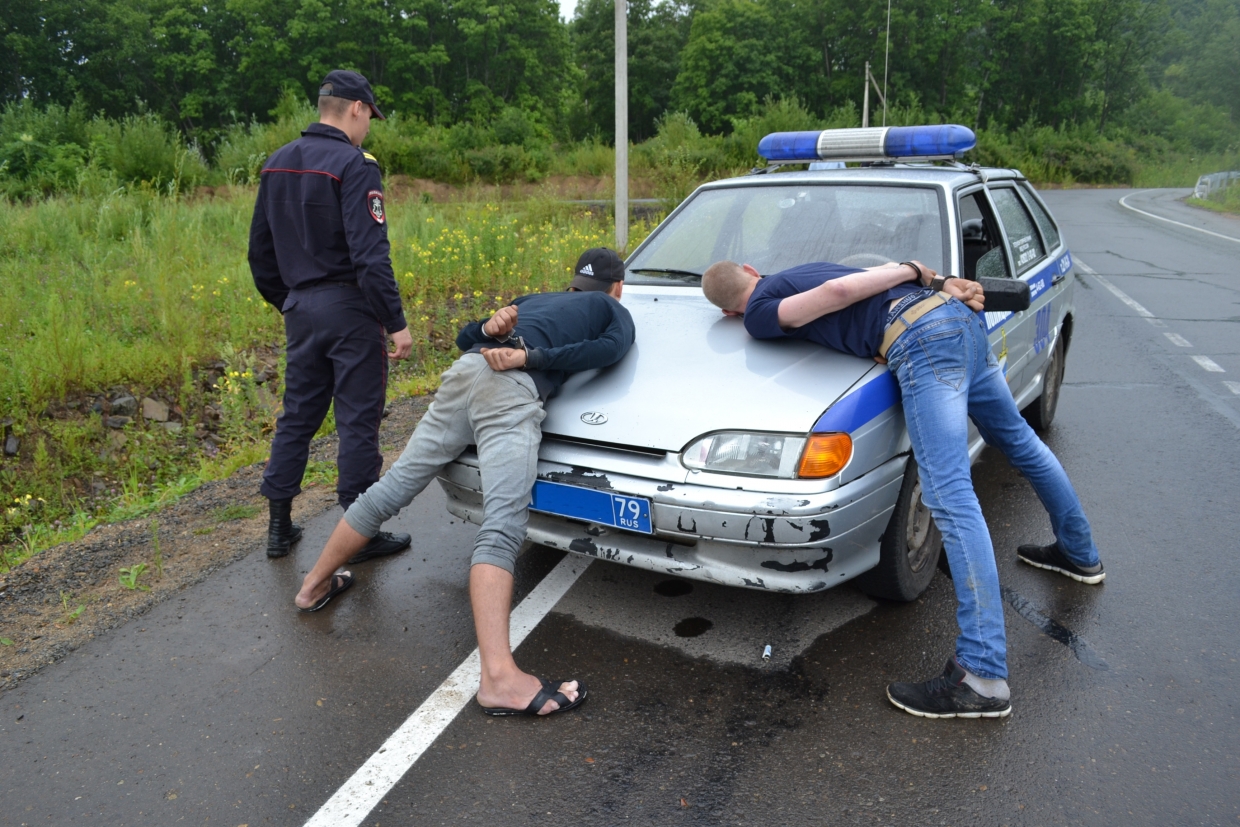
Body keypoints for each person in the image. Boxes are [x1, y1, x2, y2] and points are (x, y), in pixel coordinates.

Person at [701, 259, 1104, 719]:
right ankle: (1079, 553)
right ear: (753, 267)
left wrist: (907, 268)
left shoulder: (757, 312)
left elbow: (835, 294)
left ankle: (982, 676)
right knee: (1021, 443)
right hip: (955, 319)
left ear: (731, 314)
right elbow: (848, 296)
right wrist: (925, 277)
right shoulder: (796, 271)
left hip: (924, 343)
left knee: (950, 499)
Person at [294, 248, 636, 717]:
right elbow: (608, 350)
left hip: (466, 373)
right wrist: (531, 357)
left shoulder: (532, 299)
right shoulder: (613, 308)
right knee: (503, 525)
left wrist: (487, 331)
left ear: (571, 282)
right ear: (618, 288)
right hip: (509, 389)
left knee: (393, 486)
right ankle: (499, 680)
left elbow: (465, 337)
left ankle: (313, 586)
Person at [248, 69, 413, 564]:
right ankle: (359, 533)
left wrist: (294, 303)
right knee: (358, 420)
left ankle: (279, 528)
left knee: (297, 416)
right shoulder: (355, 164)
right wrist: (396, 322)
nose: (369, 129)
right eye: (370, 118)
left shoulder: (275, 163)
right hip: (350, 309)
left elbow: (260, 255)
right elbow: (370, 257)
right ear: (357, 109)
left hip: (300, 308)